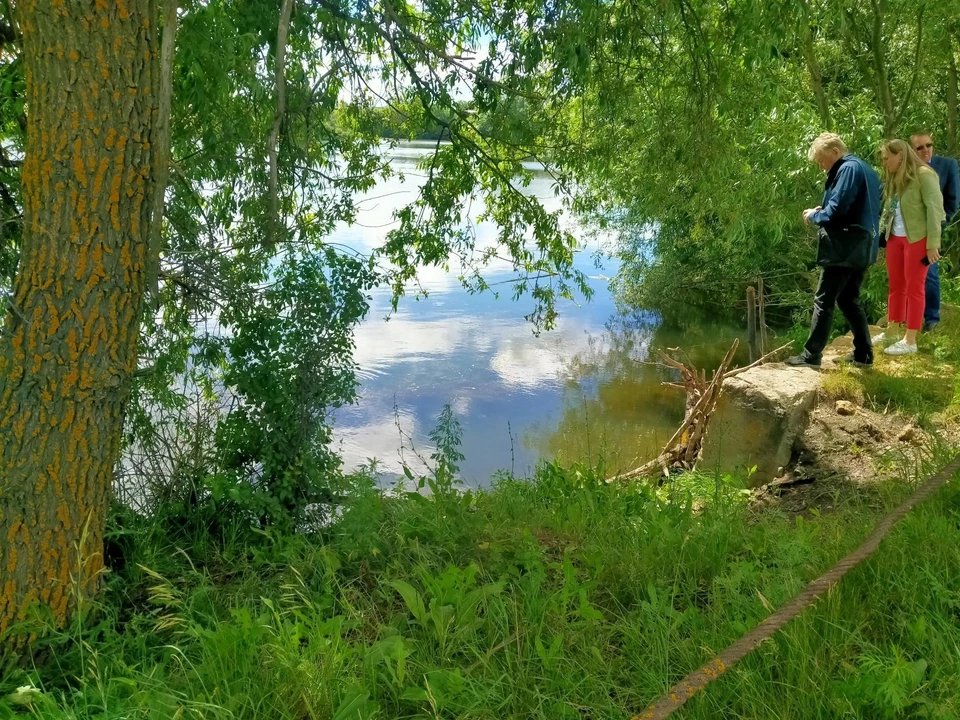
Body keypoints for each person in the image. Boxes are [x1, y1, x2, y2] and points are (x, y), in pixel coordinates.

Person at [787, 133, 881, 369]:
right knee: (849, 300)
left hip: (844, 247)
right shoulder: (866, 169)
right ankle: (864, 354)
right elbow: (858, 206)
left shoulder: (847, 169)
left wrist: (815, 215)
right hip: (863, 244)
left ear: (835, 152)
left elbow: (837, 210)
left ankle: (811, 356)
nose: (821, 167)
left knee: (824, 300)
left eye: (822, 160)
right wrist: (827, 208)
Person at [876, 139, 945, 355]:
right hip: (895, 238)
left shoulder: (925, 175)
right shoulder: (895, 177)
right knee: (896, 286)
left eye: (888, 158)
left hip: (918, 240)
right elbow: (890, 209)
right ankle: (893, 330)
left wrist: (933, 245)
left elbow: (935, 211)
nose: (885, 163)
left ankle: (910, 340)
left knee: (915, 288)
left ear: (901, 155)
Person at [910, 131, 959, 331]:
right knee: (907, 275)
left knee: (929, 273)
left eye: (928, 145)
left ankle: (932, 319)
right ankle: (908, 318)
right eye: (919, 147)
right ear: (911, 150)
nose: (925, 150)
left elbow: (953, 200)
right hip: (907, 231)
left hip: (931, 230)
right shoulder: (907, 168)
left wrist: (939, 224)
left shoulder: (947, 165)